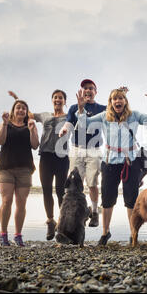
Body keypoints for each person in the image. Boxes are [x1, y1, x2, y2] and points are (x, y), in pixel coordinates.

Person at [62, 86, 147, 245]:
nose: (118, 101)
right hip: (109, 162)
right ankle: (105, 233)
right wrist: (80, 109)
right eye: (114, 98)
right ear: (111, 102)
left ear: (125, 101)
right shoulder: (104, 116)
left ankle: (132, 233)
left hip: (130, 161)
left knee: (131, 199)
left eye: (120, 98)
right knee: (107, 199)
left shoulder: (134, 115)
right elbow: (85, 124)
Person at [9, 90, 69, 241]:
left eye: (60, 98)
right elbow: (28, 114)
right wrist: (17, 99)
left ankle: (62, 225)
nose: (57, 100)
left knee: (61, 191)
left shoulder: (69, 117)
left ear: (64, 101)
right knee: (47, 190)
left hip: (62, 157)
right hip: (46, 157)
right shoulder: (45, 115)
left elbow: (80, 118)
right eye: (55, 97)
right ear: (52, 100)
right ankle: (50, 221)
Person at [59, 79, 106, 227]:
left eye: (91, 88)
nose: (88, 90)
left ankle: (94, 212)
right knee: (74, 184)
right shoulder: (74, 107)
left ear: (95, 92)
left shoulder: (102, 108)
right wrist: (64, 129)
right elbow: (69, 122)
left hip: (94, 150)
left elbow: (116, 114)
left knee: (92, 182)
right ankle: (73, 213)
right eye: (85, 88)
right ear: (82, 91)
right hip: (77, 149)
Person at [0, 97, 39, 246]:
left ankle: (18, 235)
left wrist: (33, 130)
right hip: (5, 167)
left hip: (25, 169)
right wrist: (5, 124)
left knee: (21, 203)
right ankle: (3, 234)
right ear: (13, 110)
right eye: (18, 107)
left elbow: (35, 145)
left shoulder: (30, 125)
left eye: (23, 108)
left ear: (26, 112)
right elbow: (0, 141)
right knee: (7, 201)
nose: (21, 110)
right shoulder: (5, 124)